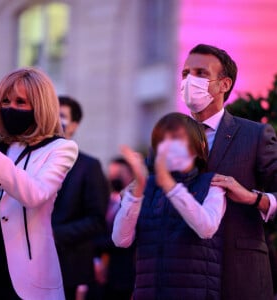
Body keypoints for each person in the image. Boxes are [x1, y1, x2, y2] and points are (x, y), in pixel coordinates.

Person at [181, 44, 277, 300]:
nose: (190, 81)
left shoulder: (255, 134)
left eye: (201, 73)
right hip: (180, 276)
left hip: (237, 275)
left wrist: (253, 197)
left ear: (224, 84)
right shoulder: (168, 137)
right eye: (185, 73)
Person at [0, 68, 78, 299]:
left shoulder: (60, 149)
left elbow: (35, 193)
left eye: (20, 102)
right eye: (5, 101)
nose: (10, 108)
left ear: (40, 107)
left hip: (26, 276)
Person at [112, 112, 226, 300]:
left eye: (177, 139)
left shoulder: (212, 184)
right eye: (162, 140)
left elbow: (206, 227)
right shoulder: (145, 186)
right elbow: (120, 239)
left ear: (197, 147)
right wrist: (138, 189)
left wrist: (170, 186)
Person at [52, 96, 109, 300]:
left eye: (62, 115)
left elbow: (96, 220)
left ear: (74, 125)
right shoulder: (32, 159)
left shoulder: (88, 166)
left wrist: (53, 233)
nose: (55, 120)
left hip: (67, 264)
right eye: (51, 113)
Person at [93, 157, 136, 300]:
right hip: (101, 279)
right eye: (111, 173)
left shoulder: (135, 203)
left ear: (130, 175)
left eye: (119, 174)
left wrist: (96, 244)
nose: (114, 178)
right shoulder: (103, 201)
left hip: (125, 275)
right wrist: (96, 259)